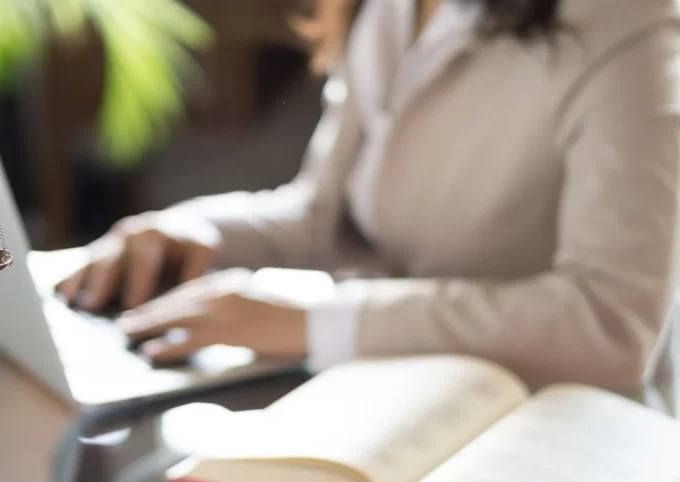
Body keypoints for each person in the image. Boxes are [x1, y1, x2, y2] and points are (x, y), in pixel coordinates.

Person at [58, 0, 680, 411]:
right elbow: (329, 214)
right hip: (384, 399)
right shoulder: (389, 8)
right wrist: (195, 229)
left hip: (547, 430)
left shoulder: (627, 22)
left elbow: (614, 321)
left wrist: (317, 321)